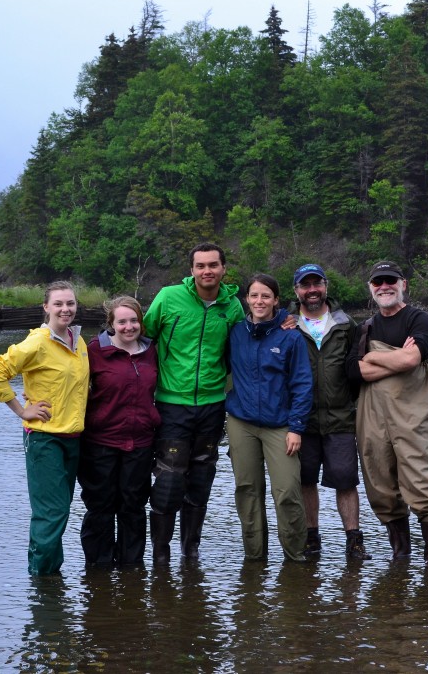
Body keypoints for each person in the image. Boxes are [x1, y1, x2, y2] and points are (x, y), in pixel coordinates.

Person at [141, 243, 245, 565]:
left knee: (201, 479)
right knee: (170, 480)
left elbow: (244, 345)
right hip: (172, 403)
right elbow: (142, 338)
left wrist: (285, 322)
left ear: (224, 269)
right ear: (191, 270)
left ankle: (191, 550)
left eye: (213, 265)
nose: (207, 271)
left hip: (213, 406)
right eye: (200, 266)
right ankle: (160, 551)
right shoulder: (168, 298)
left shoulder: (234, 308)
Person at [346, 262, 428, 567]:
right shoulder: (364, 327)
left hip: (410, 417)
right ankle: (400, 559)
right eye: (378, 282)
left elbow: (411, 359)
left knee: (421, 485)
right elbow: (353, 370)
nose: (384, 286)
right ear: (370, 287)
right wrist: (393, 357)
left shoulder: (418, 318)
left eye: (390, 280)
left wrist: (374, 356)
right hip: (371, 418)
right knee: (381, 489)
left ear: (403, 284)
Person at [0, 281, 90, 575]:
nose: (65, 309)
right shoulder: (36, 342)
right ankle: (42, 583)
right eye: (58, 304)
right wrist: (21, 410)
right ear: (46, 307)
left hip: (73, 438)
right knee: (51, 513)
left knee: (60, 512)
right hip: (45, 439)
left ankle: (50, 579)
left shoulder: (78, 341)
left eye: (70, 303)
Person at [287, 263, 372, 560]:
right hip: (301, 419)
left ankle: (354, 539)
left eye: (317, 284)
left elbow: (359, 366)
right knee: (305, 480)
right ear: (296, 291)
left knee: (346, 480)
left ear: (326, 287)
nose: (312, 290)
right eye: (305, 285)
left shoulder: (347, 324)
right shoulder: (285, 324)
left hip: (340, 418)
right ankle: (312, 537)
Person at [226, 274, 313, 561]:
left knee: (287, 490)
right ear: (246, 300)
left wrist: (297, 428)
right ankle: (254, 558)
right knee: (247, 490)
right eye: (253, 296)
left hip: (281, 425)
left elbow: (302, 384)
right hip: (242, 422)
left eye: (265, 296)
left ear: (276, 300)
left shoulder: (291, 336)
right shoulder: (235, 332)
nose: (259, 301)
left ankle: (295, 556)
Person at [78, 296, 160, 568]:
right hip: (100, 442)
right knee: (100, 507)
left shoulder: (152, 351)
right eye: (122, 321)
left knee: (133, 507)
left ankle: (131, 569)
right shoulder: (93, 351)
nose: (129, 326)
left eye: (134, 320)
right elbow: (66, 379)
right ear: (111, 324)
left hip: (140, 443)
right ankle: (98, 571)